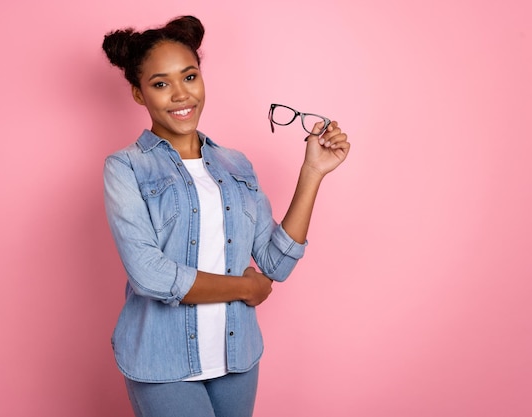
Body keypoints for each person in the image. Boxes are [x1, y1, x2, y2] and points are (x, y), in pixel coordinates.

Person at [101, 15, 350, 417]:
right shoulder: (125, 168)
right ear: (137, 93)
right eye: (160, 84)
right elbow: (150, 274)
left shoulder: (235, 165)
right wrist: (244, 289)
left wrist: (313, 172)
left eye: (190, 77)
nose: (181, 95)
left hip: (237, 356)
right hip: (162, 360)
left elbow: (274, 262)